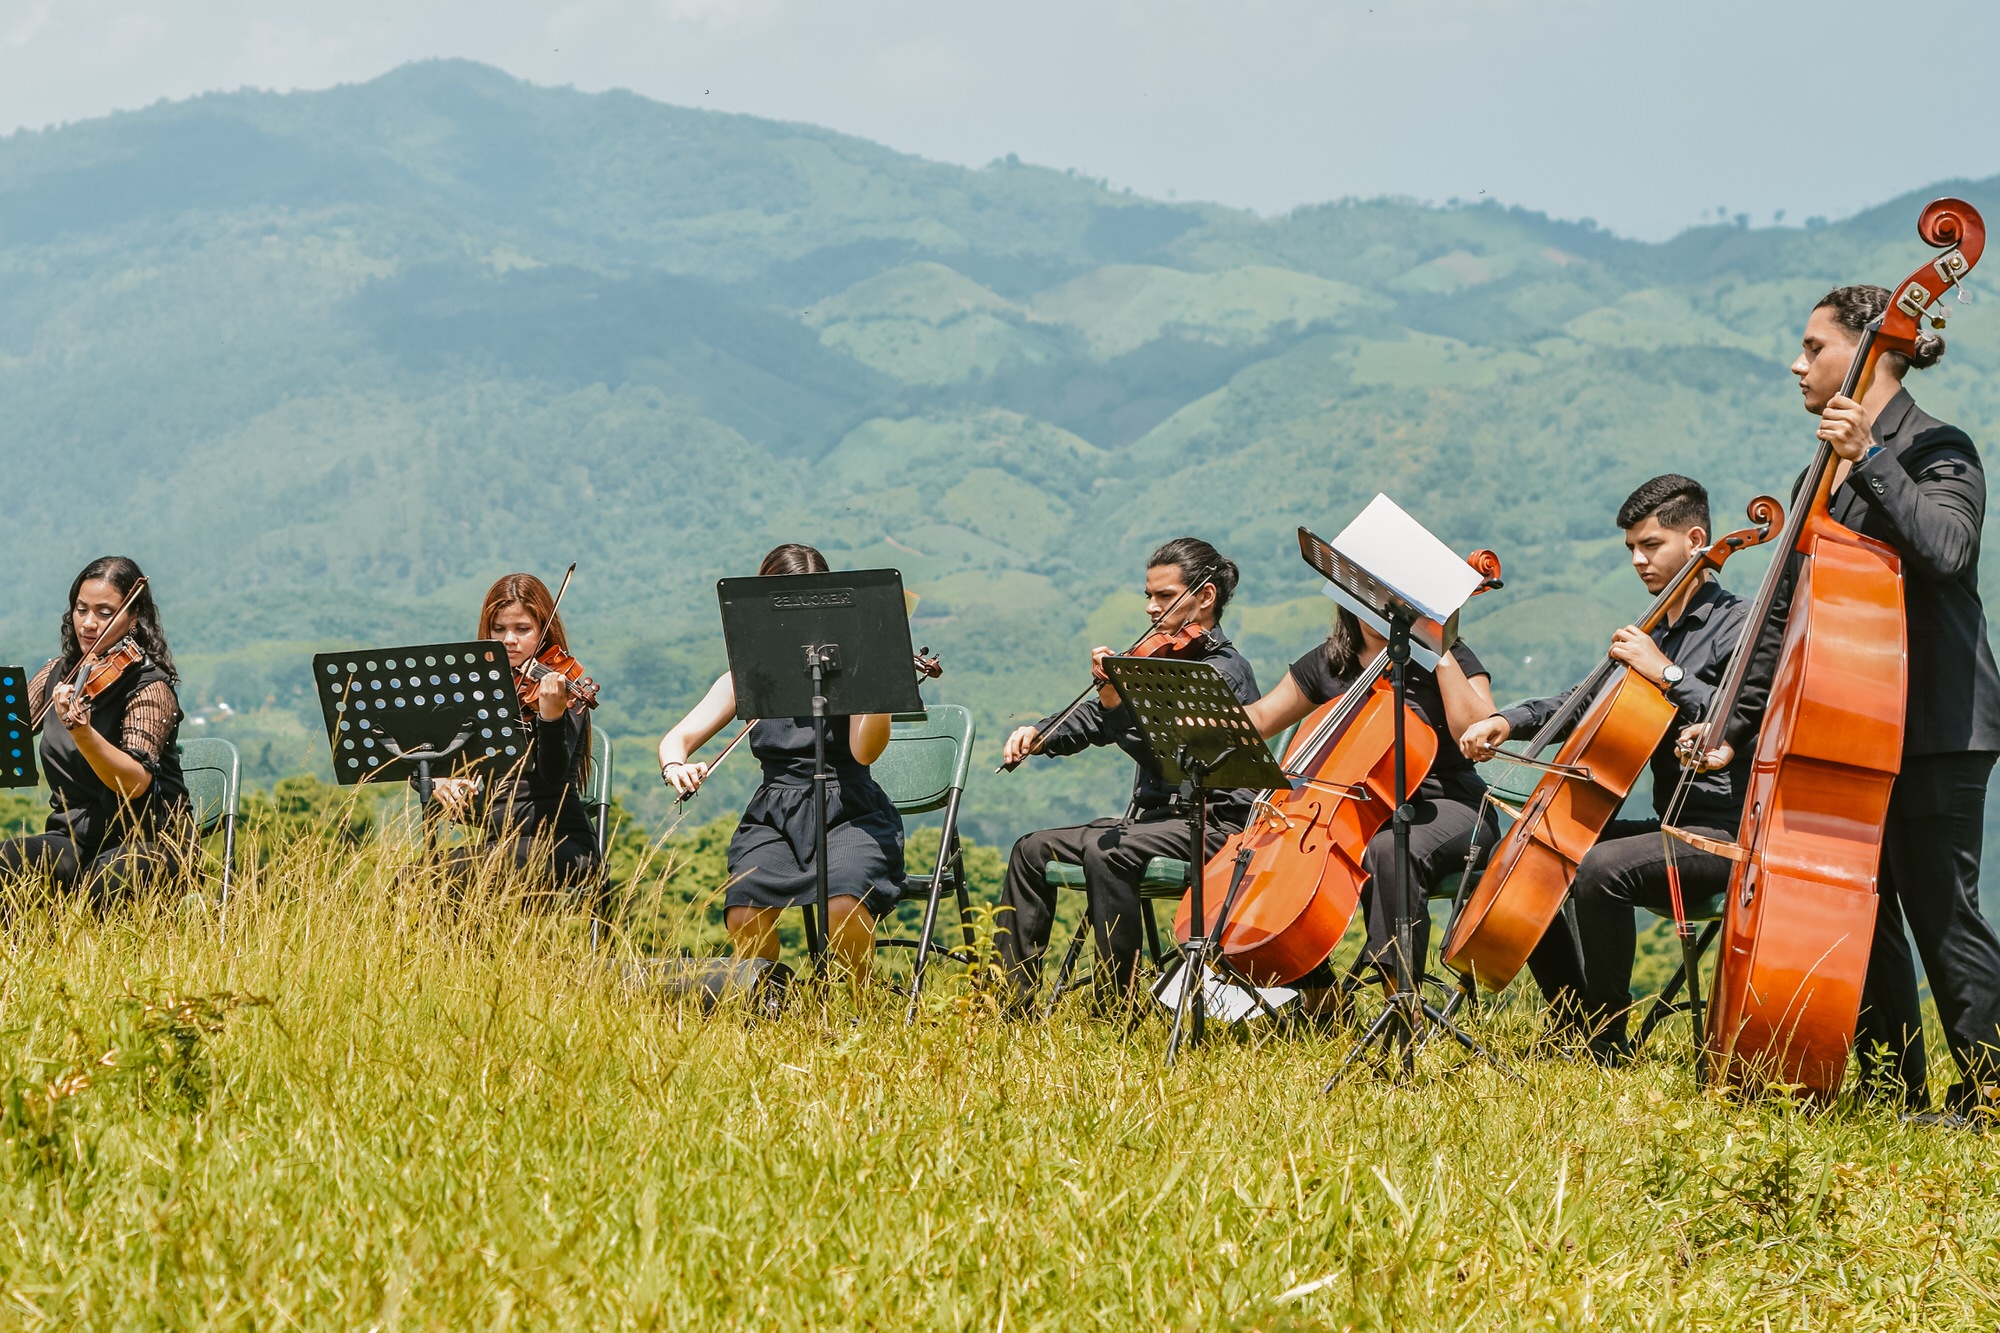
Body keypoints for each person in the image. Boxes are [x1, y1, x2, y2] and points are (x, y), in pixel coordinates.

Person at [1735, 286, 2000, 1122]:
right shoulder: (1820, 472)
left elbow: (1949, 551)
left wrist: (1873, 460)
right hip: (1848, 728)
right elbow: (1785, 611)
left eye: (1814, 347)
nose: (1796, 362)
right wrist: (1734, 724)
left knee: (1941, 910)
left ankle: (1990, 1087)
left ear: (1868, 351)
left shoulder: (1937, 448)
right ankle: (1896, 1087)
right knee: (1863, 910)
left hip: (1936, 727)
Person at [1459, 475, 1753, 1063]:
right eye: (1631, 550)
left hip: (1726, 831)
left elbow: (1745, 716)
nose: (1639, 561)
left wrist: (1665, 672)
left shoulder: (1741, 623)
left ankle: (1605, 1038)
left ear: (1697, 540)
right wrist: (1507, 722)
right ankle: (1570, 1019)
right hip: (1667, 824)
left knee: (1596, 868)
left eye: (1652, 545)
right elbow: (1583, 699)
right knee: (1531, 848)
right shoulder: (1654, 627)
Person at [994, 537, 1259, 1011]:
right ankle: (1009, 1002)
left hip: (1214, 824)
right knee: (1030, 851)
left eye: (1163, 596)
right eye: (1148, 595)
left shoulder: (1222, 673)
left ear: (1205, 596)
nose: (1150, 608)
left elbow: (1172, 758)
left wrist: (1116, 702)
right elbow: (1098, 718)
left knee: (1108, 851)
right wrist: (1041, 733)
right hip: (1157, 824)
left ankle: (1115, 1002)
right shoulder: (1159, 657)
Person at [658, 543, 904, 984]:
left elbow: (865, 753)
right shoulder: (747, 676)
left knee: (843, 903)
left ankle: (865, 1007)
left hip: (849, 808)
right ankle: (769, 1001)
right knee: (744, 906)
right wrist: (676, 766)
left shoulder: (854, 670)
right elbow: (677, 738)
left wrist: (880, 685)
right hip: (775, 813)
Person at [1244, 603, 1498, 990]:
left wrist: (1440, 654)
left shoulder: (1452, 656)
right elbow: (1261, 720)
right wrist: (1193, 714)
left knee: (1390, 850)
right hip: (1356, 813)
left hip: (1450, 805)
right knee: (1282, 858)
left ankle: (1401, 999)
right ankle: (1317, 993)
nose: (1385, 609)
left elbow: (1479, 734)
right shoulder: (1331, 662)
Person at [0, 556, 192, 906]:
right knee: (6, 862)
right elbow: (9, 729)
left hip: (147, 842)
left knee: (107, 879)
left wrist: (83, 734)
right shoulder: (56, 674)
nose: (88, 623)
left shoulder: (150, 687)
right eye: (81, 609)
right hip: (73, 838)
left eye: (105, 613)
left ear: (133, 618)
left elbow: (135, 783)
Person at [431, 573, 603, 906]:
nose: (509, 640)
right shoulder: (479, 693)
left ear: (542, 630)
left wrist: (550, 718)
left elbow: (554, 773)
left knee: (479, 872)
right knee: (411, 879)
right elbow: (427, 753)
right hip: (497, 844)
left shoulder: (565, 694)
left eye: (522, 629)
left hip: (559, 843)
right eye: (499, 629)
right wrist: (436, 779)